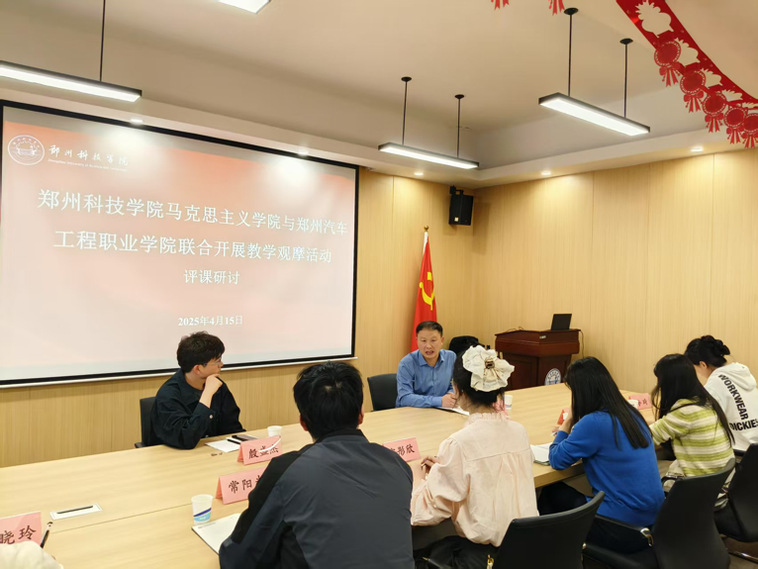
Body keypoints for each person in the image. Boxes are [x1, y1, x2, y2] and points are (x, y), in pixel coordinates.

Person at [219, 362, 414, 569]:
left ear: (303, 422)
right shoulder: (398, 464)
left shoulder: (287, 471)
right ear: (361, 415)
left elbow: (238, 560)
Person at [411, 346, 538, 569]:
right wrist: (446, 469)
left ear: (458, 390)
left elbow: (426, 511)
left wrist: (418, 479)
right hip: (527, 551)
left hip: (486, 559)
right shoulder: (519, 431)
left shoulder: (459, 443)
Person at [540, 357, 664, 553]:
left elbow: (556, 459)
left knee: (550, 493)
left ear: (582, 393)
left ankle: (552, 557)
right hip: (654, 521)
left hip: (622, 529)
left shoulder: (594, 422)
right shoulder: (631, 414)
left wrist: (567, 422)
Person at [150, 332, 243, 449]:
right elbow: (186, 439)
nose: (221, 364)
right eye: (217, 361)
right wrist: (207, 394)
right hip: (174, 456)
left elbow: (232, 429)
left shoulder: (218, 386)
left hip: (211, 452)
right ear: (198, 369)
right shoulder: (168, 395)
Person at [649, 354, 734, 483]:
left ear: (669, 384)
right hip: (722, 483)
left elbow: (645, 438)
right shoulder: (706, 402)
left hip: (700, 486)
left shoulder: (685, 412)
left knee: (646, 467)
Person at [685, 335, 758, 452]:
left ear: (703, 364)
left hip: (740, 452)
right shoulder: (742, 374)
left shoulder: (715, 383)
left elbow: (702, 422)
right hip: (753, 448)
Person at [396, 321, 457, 409]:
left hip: (442, 410)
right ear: (417, 341)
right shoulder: (406, 363)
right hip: (412, 412)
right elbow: (405, 398)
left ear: (441, 340)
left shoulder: (451, 357)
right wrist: (439, 401)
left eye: (433, 340)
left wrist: (450, 394)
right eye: (423, 341)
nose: (428, 346)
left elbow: (455, 384)